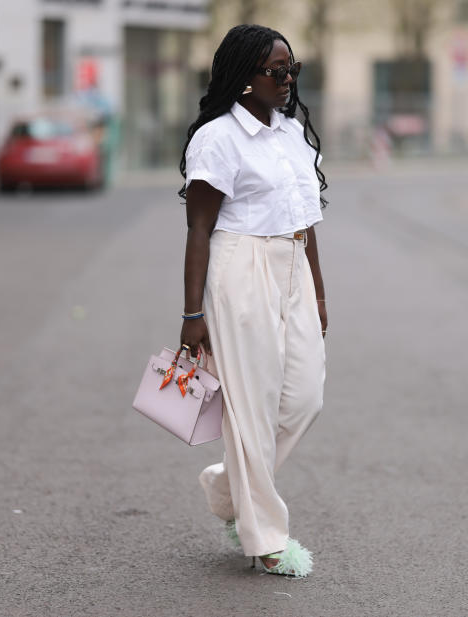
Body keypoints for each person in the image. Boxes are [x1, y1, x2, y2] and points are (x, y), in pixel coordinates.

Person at [178, 24, 328, 578]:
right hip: (241, 269)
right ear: (245, 79)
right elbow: (199, 229)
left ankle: (227, 487)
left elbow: (307, 221)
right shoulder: (218, 139)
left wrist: (316, 288)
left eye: (293, 70)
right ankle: (265, 537)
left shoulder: (291, 133)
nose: (288, 80)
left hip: (291, 265)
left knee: (304, 397)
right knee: (251, 410)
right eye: (276, 71)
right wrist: (193, 315)